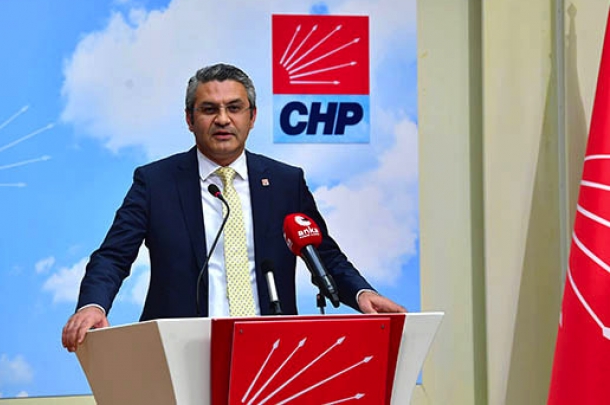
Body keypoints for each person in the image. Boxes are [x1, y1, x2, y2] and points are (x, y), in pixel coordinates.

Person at [62, 63, 405, 352]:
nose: (223, 119)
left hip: (272, 347)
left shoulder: (286, 182)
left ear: (252, 117)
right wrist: (93, 304)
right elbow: (113, 255)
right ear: (189, 119)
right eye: (209, 109)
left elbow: (323, 254)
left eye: (234, 108)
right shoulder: (156, 182)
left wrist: (361, 292)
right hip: (180, 349)